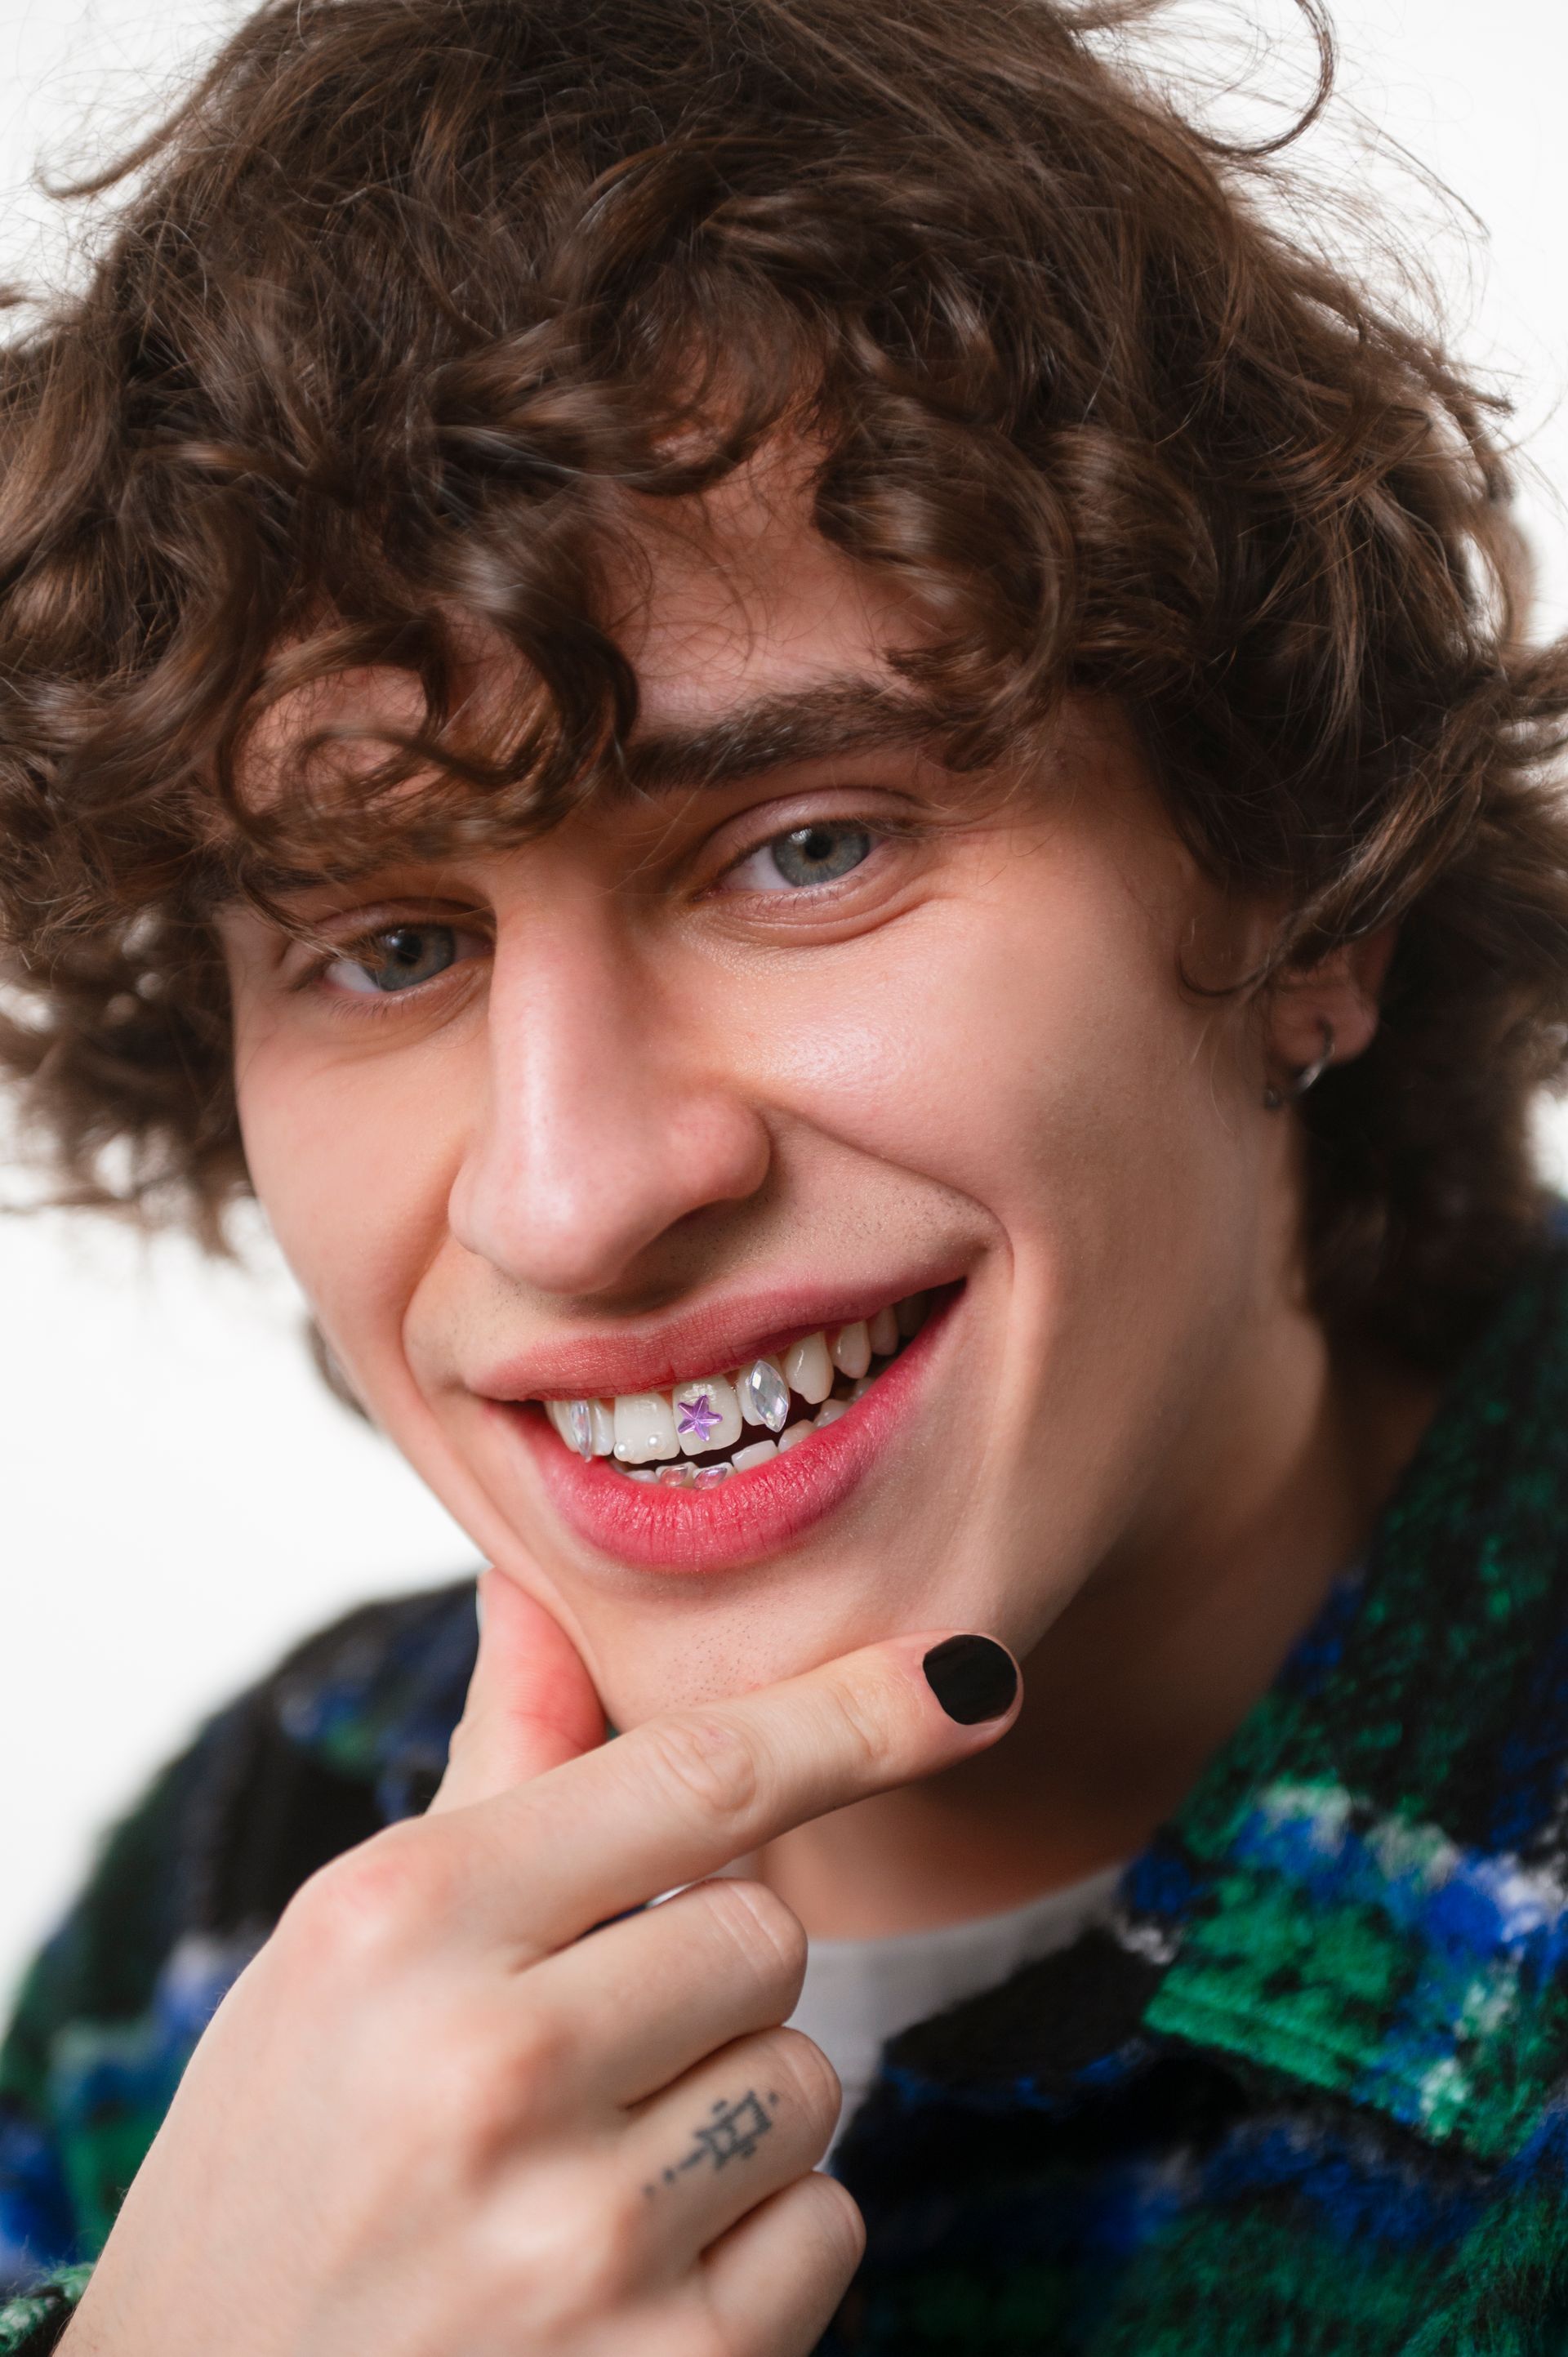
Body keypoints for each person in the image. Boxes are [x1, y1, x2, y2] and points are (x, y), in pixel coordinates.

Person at [3, 0, 1568, 2347]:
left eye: (804, 848)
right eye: (390, 943)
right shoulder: (268, 1870)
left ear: (1299, 886)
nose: (571, 1190)